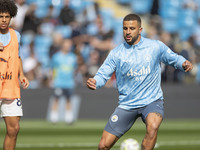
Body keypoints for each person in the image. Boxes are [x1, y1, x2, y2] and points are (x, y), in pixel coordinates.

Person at [87, 14, 193, 150]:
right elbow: (103, 74)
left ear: (140, 30)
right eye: (125, 28)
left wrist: (182, 63)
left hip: (151, 101)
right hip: (127, 104)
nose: (128, 32)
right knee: (103, 145)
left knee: (153, 126)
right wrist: (95, 82)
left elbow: (172, 57)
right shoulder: (116, 53)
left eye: (132, 28)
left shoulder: (155, 46)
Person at [0, 0, 29, 149]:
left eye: (7, 16)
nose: (4, 20)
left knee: (14, 128)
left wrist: (22, 75)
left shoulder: (16, 35)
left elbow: (17, 56)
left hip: (11, 86)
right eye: (0, 16)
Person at [49, 39, 77, 124]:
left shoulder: (73, 57)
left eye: (70, 44)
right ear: (63, 45)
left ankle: (68, 118)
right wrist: (52, 79)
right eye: (67, 44)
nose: (68, 46)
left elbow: (74, 69)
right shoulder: (56, 56)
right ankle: (54, 117)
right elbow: (52, 69)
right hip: (58, 82)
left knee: (68, 99)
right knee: (56, 99)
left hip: (69, 82)